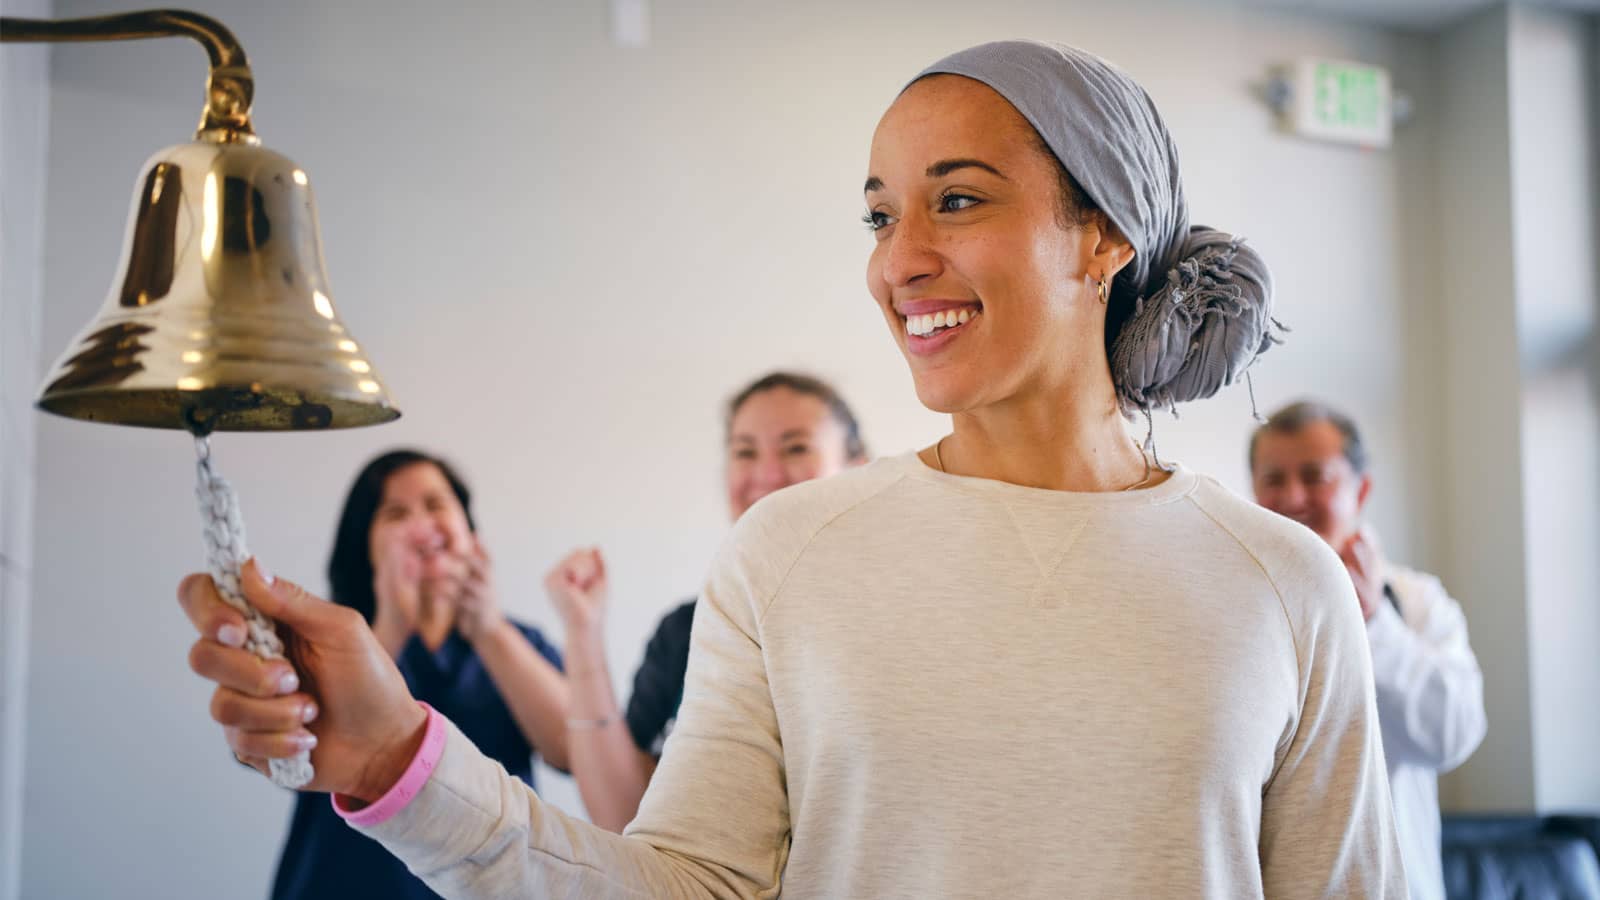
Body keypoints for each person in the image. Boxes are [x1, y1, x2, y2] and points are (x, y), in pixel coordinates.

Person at [180, 40, 1406, 897]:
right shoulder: (791, 554)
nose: (898, 263)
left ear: (1101, 235)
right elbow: (684, 891)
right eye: (880, 216)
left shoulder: (1279, 584)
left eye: (958, 201)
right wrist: (400, 758)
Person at [547, 371, 868, 832]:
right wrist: (582, 632)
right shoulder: (687, 631)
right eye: (745, 451)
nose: (767, 474)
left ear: (858, 468)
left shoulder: (890, 619)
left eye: (796, 447)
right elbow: (624, 816)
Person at [265, 450, 571, 900]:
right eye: (396, 513)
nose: (421, 525)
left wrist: (488, 628)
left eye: (435, 505)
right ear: (364, 545)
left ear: (470, 531)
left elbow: (570, 750)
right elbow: (294, 752)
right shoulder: (327, 643)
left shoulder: (521, 642)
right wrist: (392, 621)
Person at [1251, 400, 1487, 900]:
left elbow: (1454, 735)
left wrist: (1374, 620)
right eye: (1273, 478)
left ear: (1361, 489)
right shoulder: (1234, 609)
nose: (1292, 497)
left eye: (1314, 476)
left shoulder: (1418, 604)